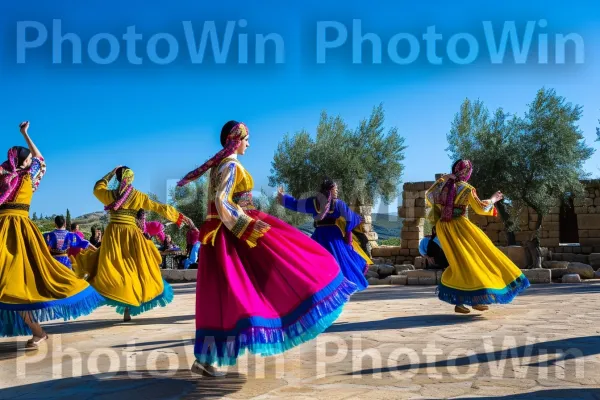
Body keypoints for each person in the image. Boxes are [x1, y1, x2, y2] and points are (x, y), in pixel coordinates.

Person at [177, 120, 357, 376]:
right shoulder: (230, 165)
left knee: (222, 294)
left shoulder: (218, 166)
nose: (249, 143)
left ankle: (205, 359)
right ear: (236, 139)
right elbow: (221, 201)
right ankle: (212, 355)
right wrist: (244, 226)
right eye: (247, 138)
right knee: (285, 261)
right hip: (235, 231)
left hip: (220, 235)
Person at [0, 121, 104, 347]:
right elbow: (41, 160)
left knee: (14, 284)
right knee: (8, 284)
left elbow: (38, 160)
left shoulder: (17, 178)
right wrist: (25, 135)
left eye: (28, 161)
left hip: (17, 234)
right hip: (10, 231)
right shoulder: (16, 177)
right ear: (21, 162)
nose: (30, 163)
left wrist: (24, 135)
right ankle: (37, 332)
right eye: (27, 161)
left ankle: (38, 331)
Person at [71, 165, 195, 322]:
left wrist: (110, 174)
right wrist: (178, 216)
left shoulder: (110, 195)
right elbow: (158, 207)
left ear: (117, 179)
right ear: (130, 178)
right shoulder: (138, 196)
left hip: (113, 235)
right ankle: (128, 306)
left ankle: (118, 298)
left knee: (113, 269)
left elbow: (97, 188)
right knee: (133, 270)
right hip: (131, 235)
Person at [425, 159, 530, 314]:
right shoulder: (467, 189)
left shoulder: (441, 185)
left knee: (460, 263)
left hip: (444, 227)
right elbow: (480, 208)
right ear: (467, 173)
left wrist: (443, 180)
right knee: (478, 258)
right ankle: (471, 299)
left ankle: (471, 300)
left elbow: (428, 198)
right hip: (460, 227)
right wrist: (494, 199)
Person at [278, 178, 369, 291]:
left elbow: (297, 204)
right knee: (341, 260)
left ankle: (321, 286)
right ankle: (342, 285)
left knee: (315, 259)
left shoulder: (314, 202)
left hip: (319, 234)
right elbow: (350, 218)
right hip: (334, 236)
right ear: (330, 190)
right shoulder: (338, 204)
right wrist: (350, 228)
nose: (337, 191)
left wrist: (283, 198)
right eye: (336, 189)